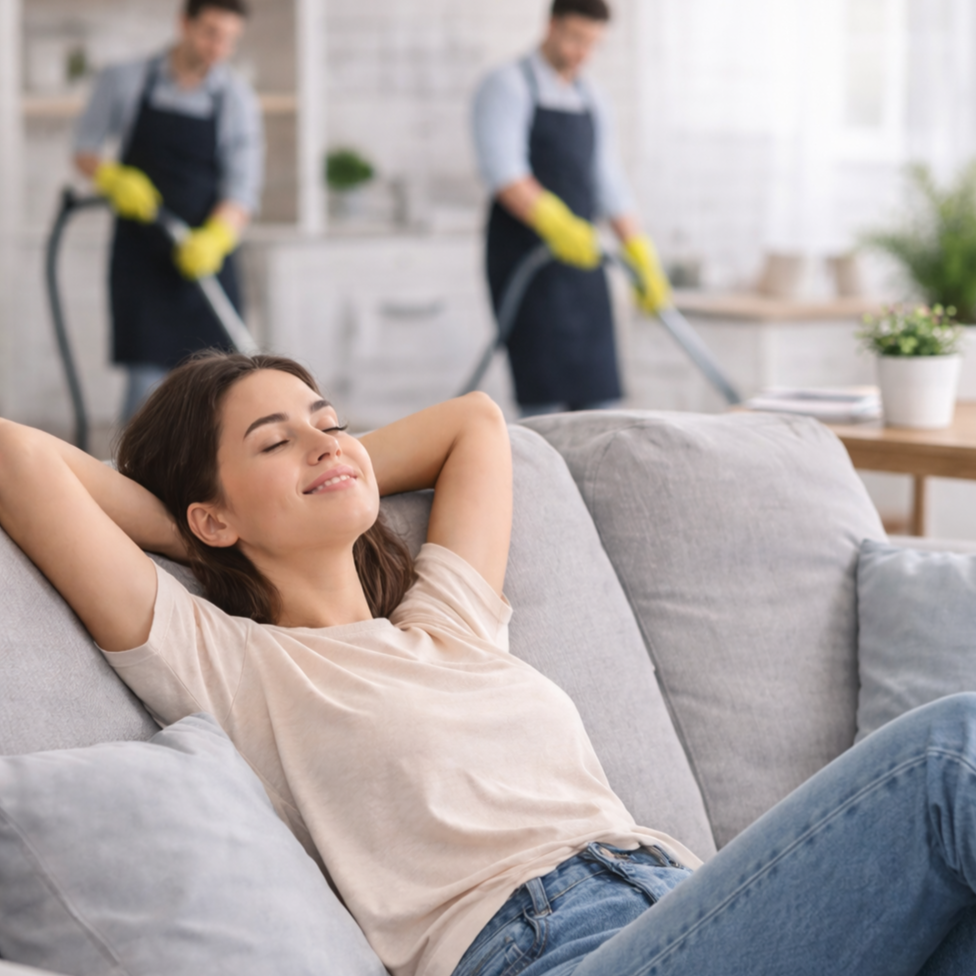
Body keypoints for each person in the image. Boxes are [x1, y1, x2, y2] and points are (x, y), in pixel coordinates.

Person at [1, 355, 976, 976]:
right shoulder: (234, 663)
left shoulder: (451, 618)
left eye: (326, 419)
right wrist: (198, 531)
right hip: (550, 949)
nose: (323, 440)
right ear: (211, 514)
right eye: (274, 438)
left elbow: (473, 421)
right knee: (950, 755)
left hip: (688, 903)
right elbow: (17, 459)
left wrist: (314, 469)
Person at [472, 0, 671, 418]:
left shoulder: (592, 97)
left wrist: (638, 247)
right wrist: (555, 223)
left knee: (602, 397)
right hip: (525, 258)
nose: (583, 51)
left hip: (583, 259)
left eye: (592, 43)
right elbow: (505, 172)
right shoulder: (507, 85)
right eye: (576, 38)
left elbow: (608, 180)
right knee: (544, 397)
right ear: (551, 26)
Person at [73, 0, 263, 421]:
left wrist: (215, 239)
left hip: (203, 257)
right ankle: (129, 478)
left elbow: (242, 189)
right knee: (146, 390)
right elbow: (84, 149)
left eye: (229, 39)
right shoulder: (124, 80)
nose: (218, 46)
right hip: (141, 256)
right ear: (184, 24)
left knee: (218, 390)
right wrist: (111, 178)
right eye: (210, 32)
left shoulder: (235, 98)